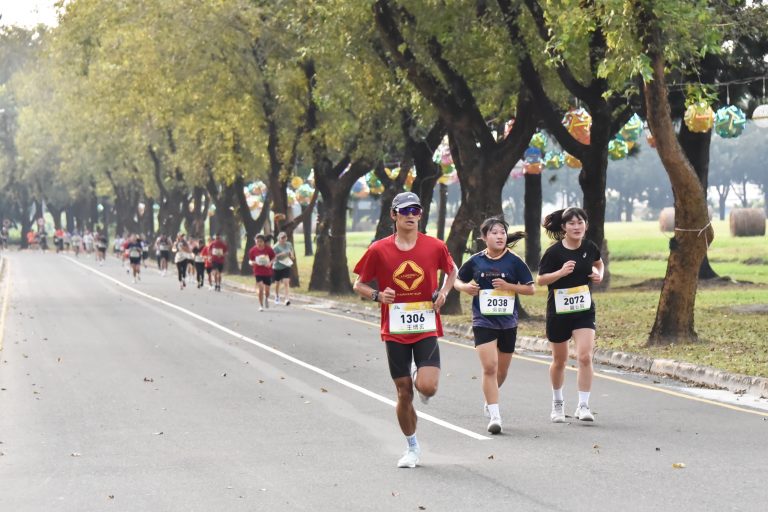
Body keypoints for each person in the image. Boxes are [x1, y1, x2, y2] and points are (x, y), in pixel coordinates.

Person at [352, 192, 457, 469]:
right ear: (394, 215)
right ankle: (412, 447)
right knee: (403, 393)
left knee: (428, 387)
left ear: (421, 214)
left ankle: (418, 375)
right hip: (395, 329)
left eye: (416, 210)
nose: (411, 215)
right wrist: (377, 296)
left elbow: (452, 270)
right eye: (405, 210)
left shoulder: (435, 246)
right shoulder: (379, 249)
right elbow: (359, 284)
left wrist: (444, 292)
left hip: (425, 326)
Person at [454, 217, 535, 434]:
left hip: (508, 322)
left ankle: (490, 398)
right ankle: (495, 415)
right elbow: (457, 280)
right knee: (489, 367)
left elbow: (531, 289)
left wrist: (509, 285)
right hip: (483, 320)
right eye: (494, 233)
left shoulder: (515, 261)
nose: (499, 236)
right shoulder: (475, 261)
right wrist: (465, 288)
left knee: (502, 370)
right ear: (483, 238)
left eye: (502, 232)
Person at [536, 207, 604, 423]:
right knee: (560, 360)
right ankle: (557, 403)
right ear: (564, 227)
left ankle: (583, 406)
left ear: (586, 225)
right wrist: (560, 273)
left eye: (580, 222)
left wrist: (598, 275)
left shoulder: (589, 247)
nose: (577, 227)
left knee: (584, 356)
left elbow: (598, 262)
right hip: (558, 312)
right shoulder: (554, 253)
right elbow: (541, 280)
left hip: (583, 310)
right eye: (572, 223)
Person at [248, 234, 276, 311]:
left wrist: (270, 263)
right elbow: (250, 260)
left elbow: (274, 257)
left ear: (264, 242)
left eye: (261, 241)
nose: (259, 243)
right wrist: (252, 263)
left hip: (267, 272)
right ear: (255, 242)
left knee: (267, 291)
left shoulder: (269, 249)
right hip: (258, 271)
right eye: (257, 242)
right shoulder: (252, 250)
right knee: (260, 288)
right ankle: (261, 305)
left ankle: (266, 298)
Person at [272, 231, 295, 305]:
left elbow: (292, 253)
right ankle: (277, 296)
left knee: (286, 282)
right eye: (282, 238)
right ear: (279, 238)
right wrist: (280, 255)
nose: (284, 240)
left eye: (285, 238)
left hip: (286, 265)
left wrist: (291, 255)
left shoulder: (289, 244)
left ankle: (287, 299)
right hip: (277, 266)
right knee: (277, 283)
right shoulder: (275, 247)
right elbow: (273, 258)